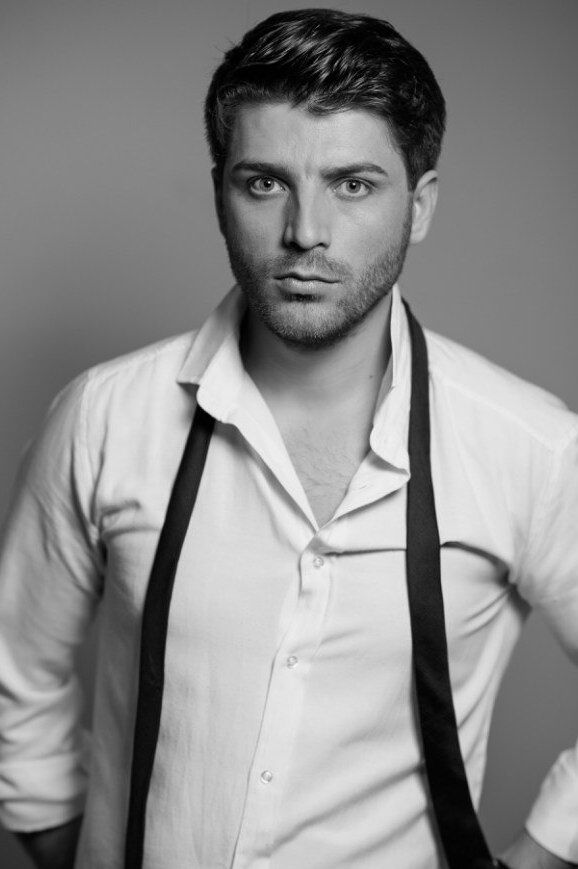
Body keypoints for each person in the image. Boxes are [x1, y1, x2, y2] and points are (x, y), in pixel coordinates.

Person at [0, 7, 576, 869]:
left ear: (419, 206)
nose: (306, 230)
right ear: (220, 194)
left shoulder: (528, 447)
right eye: (265, 182)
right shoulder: (105, 416)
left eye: (353, 184)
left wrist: (543, 854)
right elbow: (14, 671)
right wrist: (68, 845)